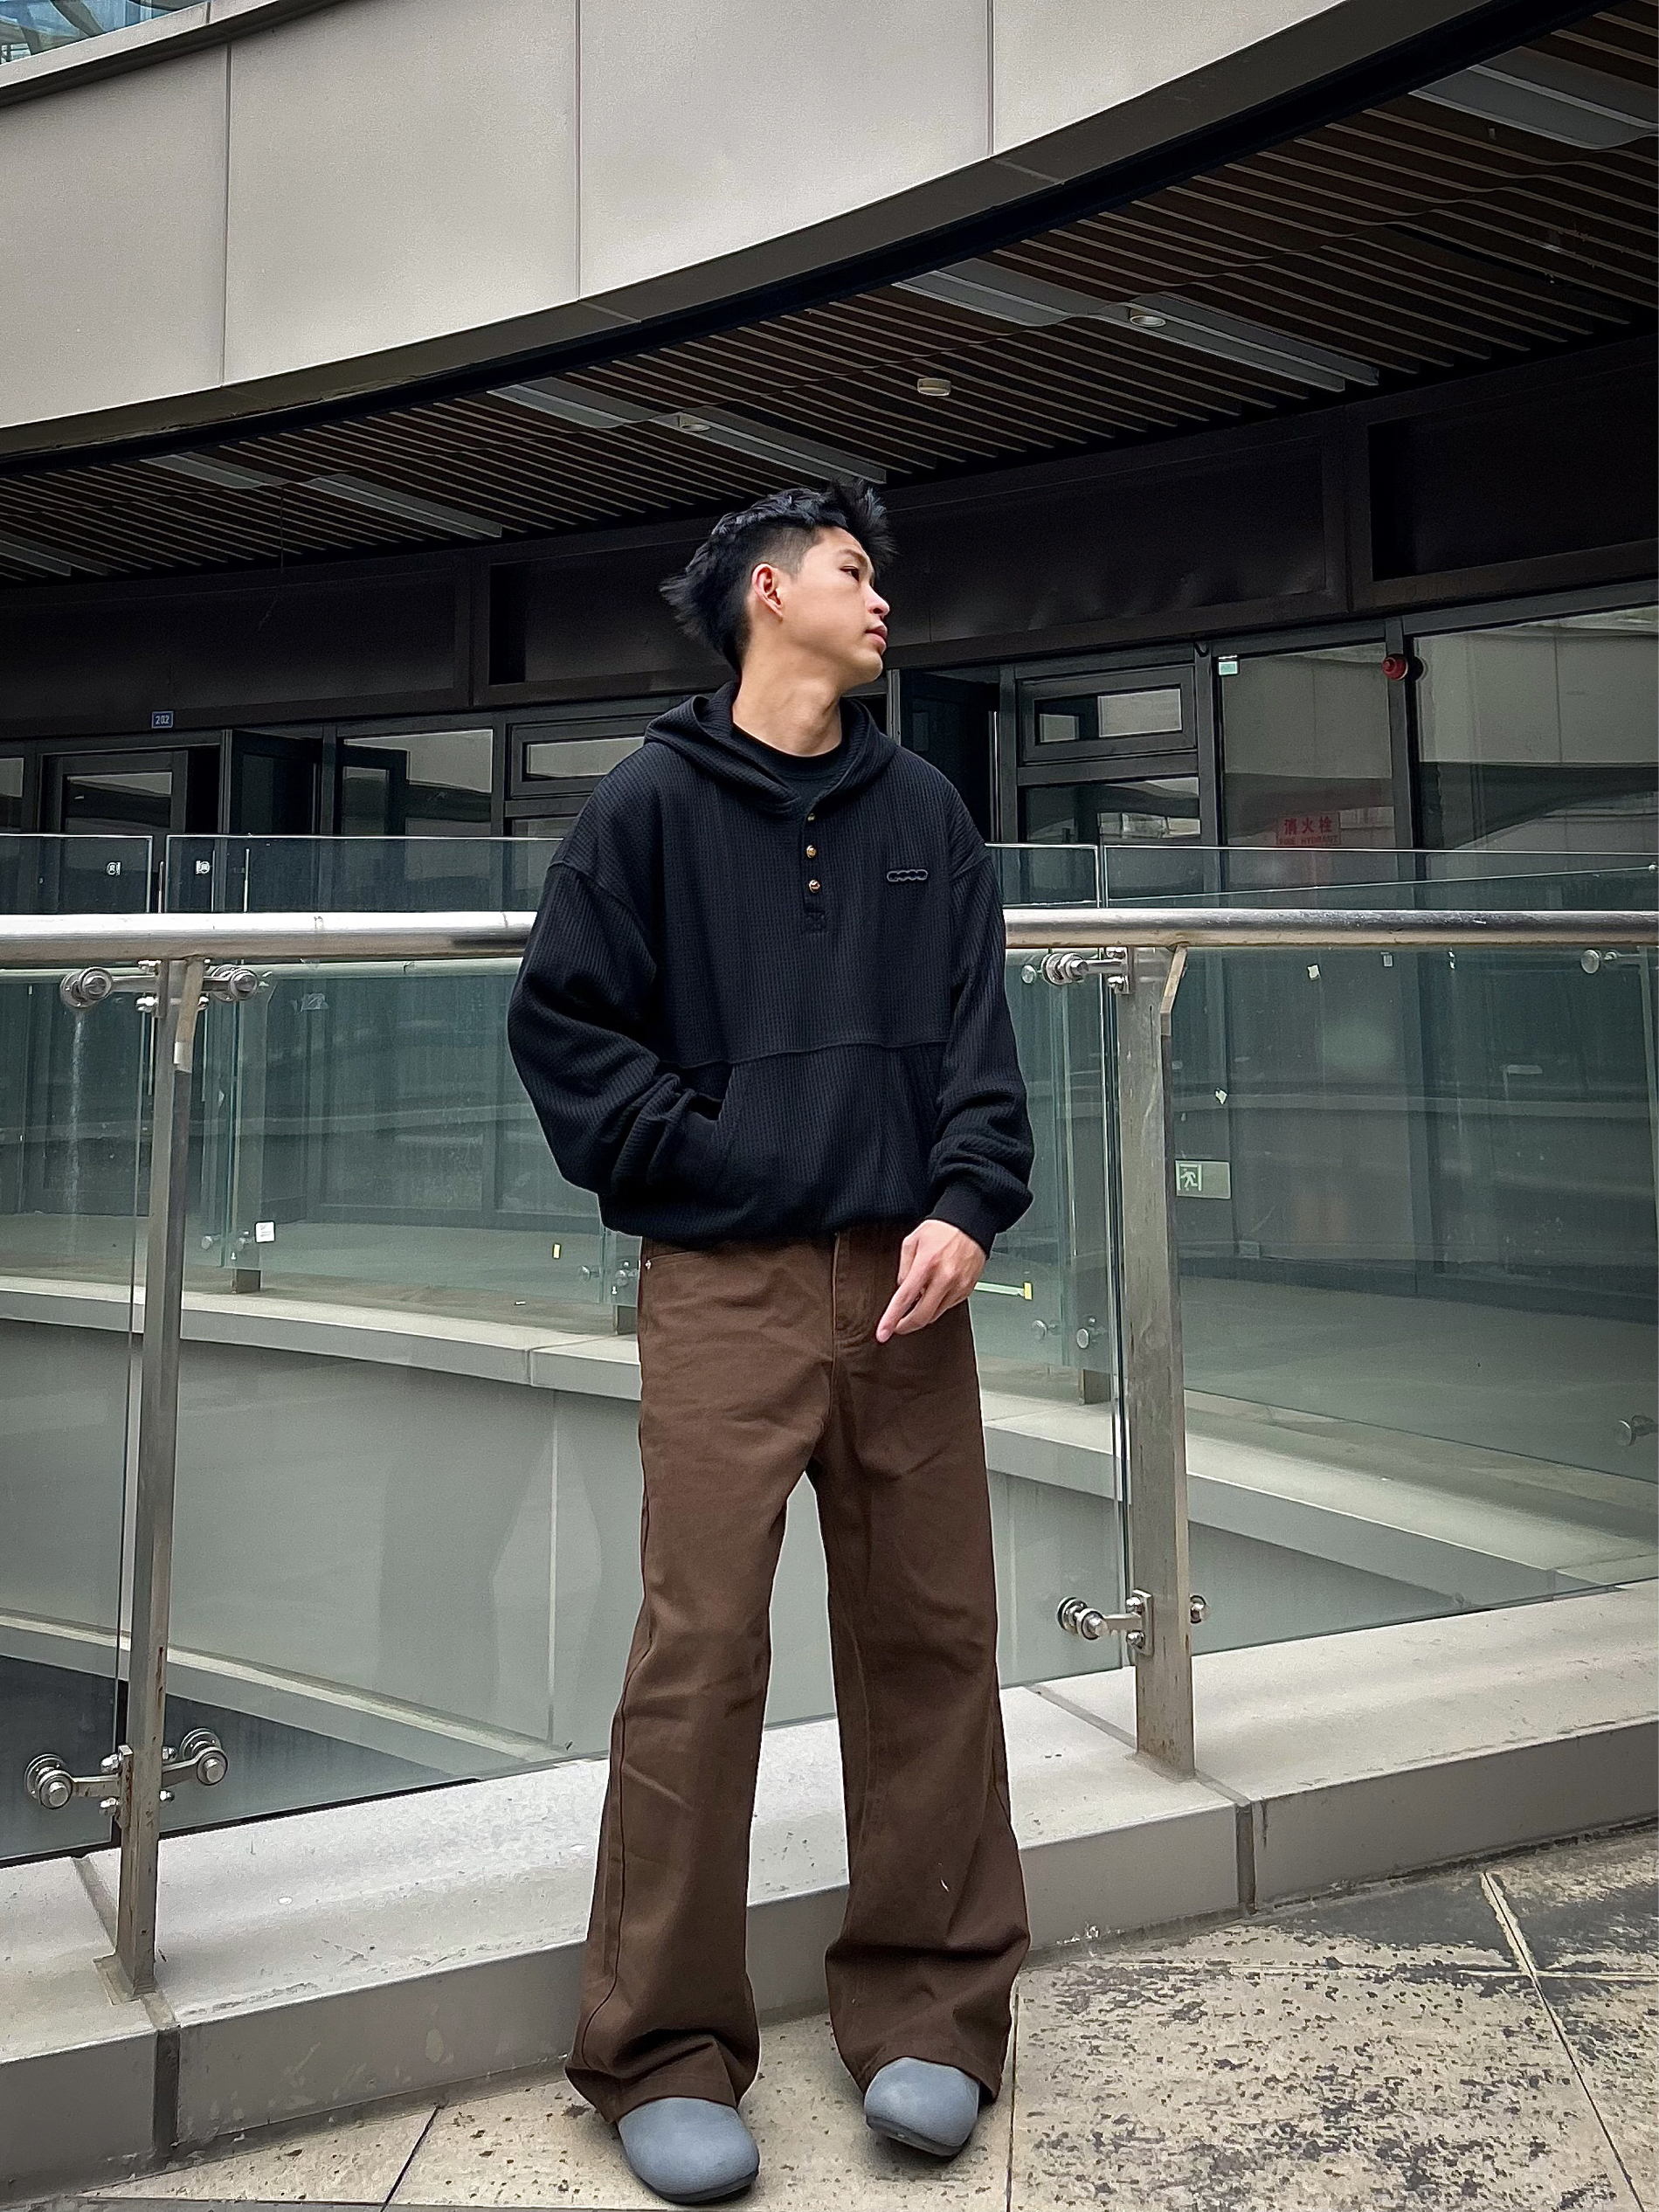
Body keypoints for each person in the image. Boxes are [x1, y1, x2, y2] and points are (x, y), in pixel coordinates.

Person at [506, 479, 1035, 2207]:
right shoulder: (645, 809)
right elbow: (567, 1033)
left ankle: (933, 2015)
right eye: (854, 571)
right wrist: (725, 1158)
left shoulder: (924, 809)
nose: (882, 601)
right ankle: (659, 2046)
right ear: (767, 596)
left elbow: (977, 1043)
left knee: (931, 1640)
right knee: (700, 1654)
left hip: (908, 1284)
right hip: (722, 1289)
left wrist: (966, 1203)